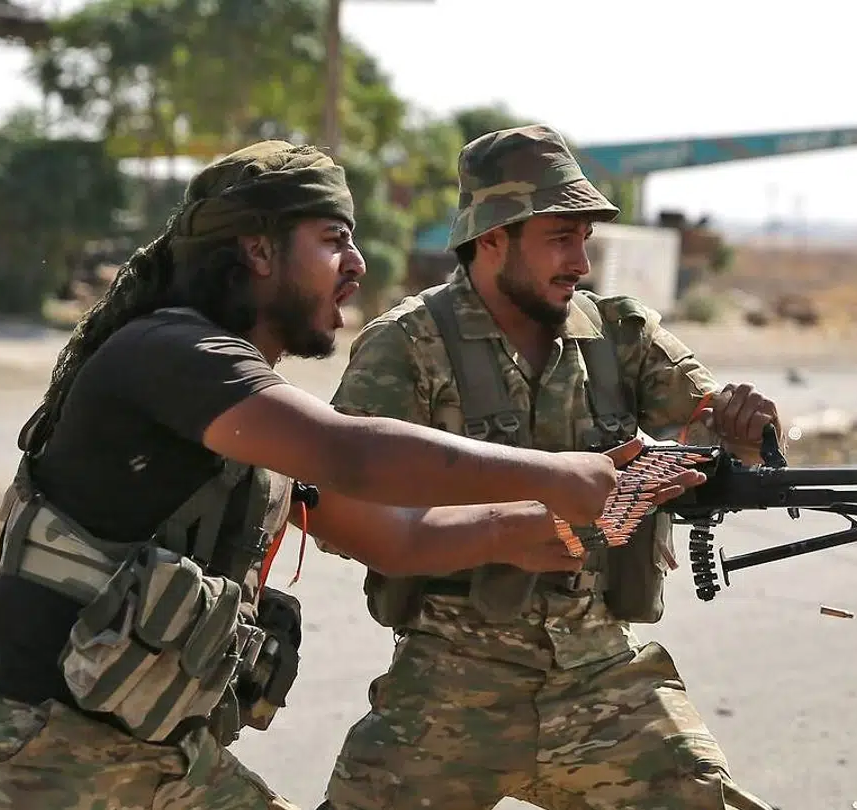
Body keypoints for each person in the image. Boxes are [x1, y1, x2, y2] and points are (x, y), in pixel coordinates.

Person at [0, 139, 680, 810]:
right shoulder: (173, 352)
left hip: (157, 761)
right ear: (258, 251)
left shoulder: (243, 409)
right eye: (334, 239)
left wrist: (518, 529)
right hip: (28, 754)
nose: (358, 264)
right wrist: (556, 473)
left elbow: (389, 538)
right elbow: (352, 456)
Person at [319, 125, 782, 810]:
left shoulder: (621, 336)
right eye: (561, 237)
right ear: (493, 237)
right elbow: (336, 505)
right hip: (451, 685)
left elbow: (717, 430)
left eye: (584, 239)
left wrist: (751, 433)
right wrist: (491, 524)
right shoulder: (405, 346)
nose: (581, 262)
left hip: (603, 682)